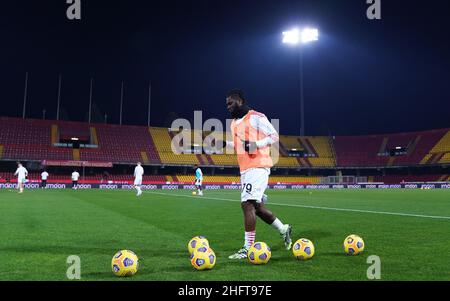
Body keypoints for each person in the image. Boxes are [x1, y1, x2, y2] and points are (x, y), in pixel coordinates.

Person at [224, 89, 292, 259]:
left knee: (247, 204)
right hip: (245, 168)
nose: (228, 106)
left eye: (230, 102)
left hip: (258, 165)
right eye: (227, 104)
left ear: (240, 101)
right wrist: (225, 143)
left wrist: (256, 143)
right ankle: (284, 229)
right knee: (258, 208)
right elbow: (241, 145)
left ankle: (248, 248)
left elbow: (274, 136)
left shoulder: (256, 116)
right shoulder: (233, 123)